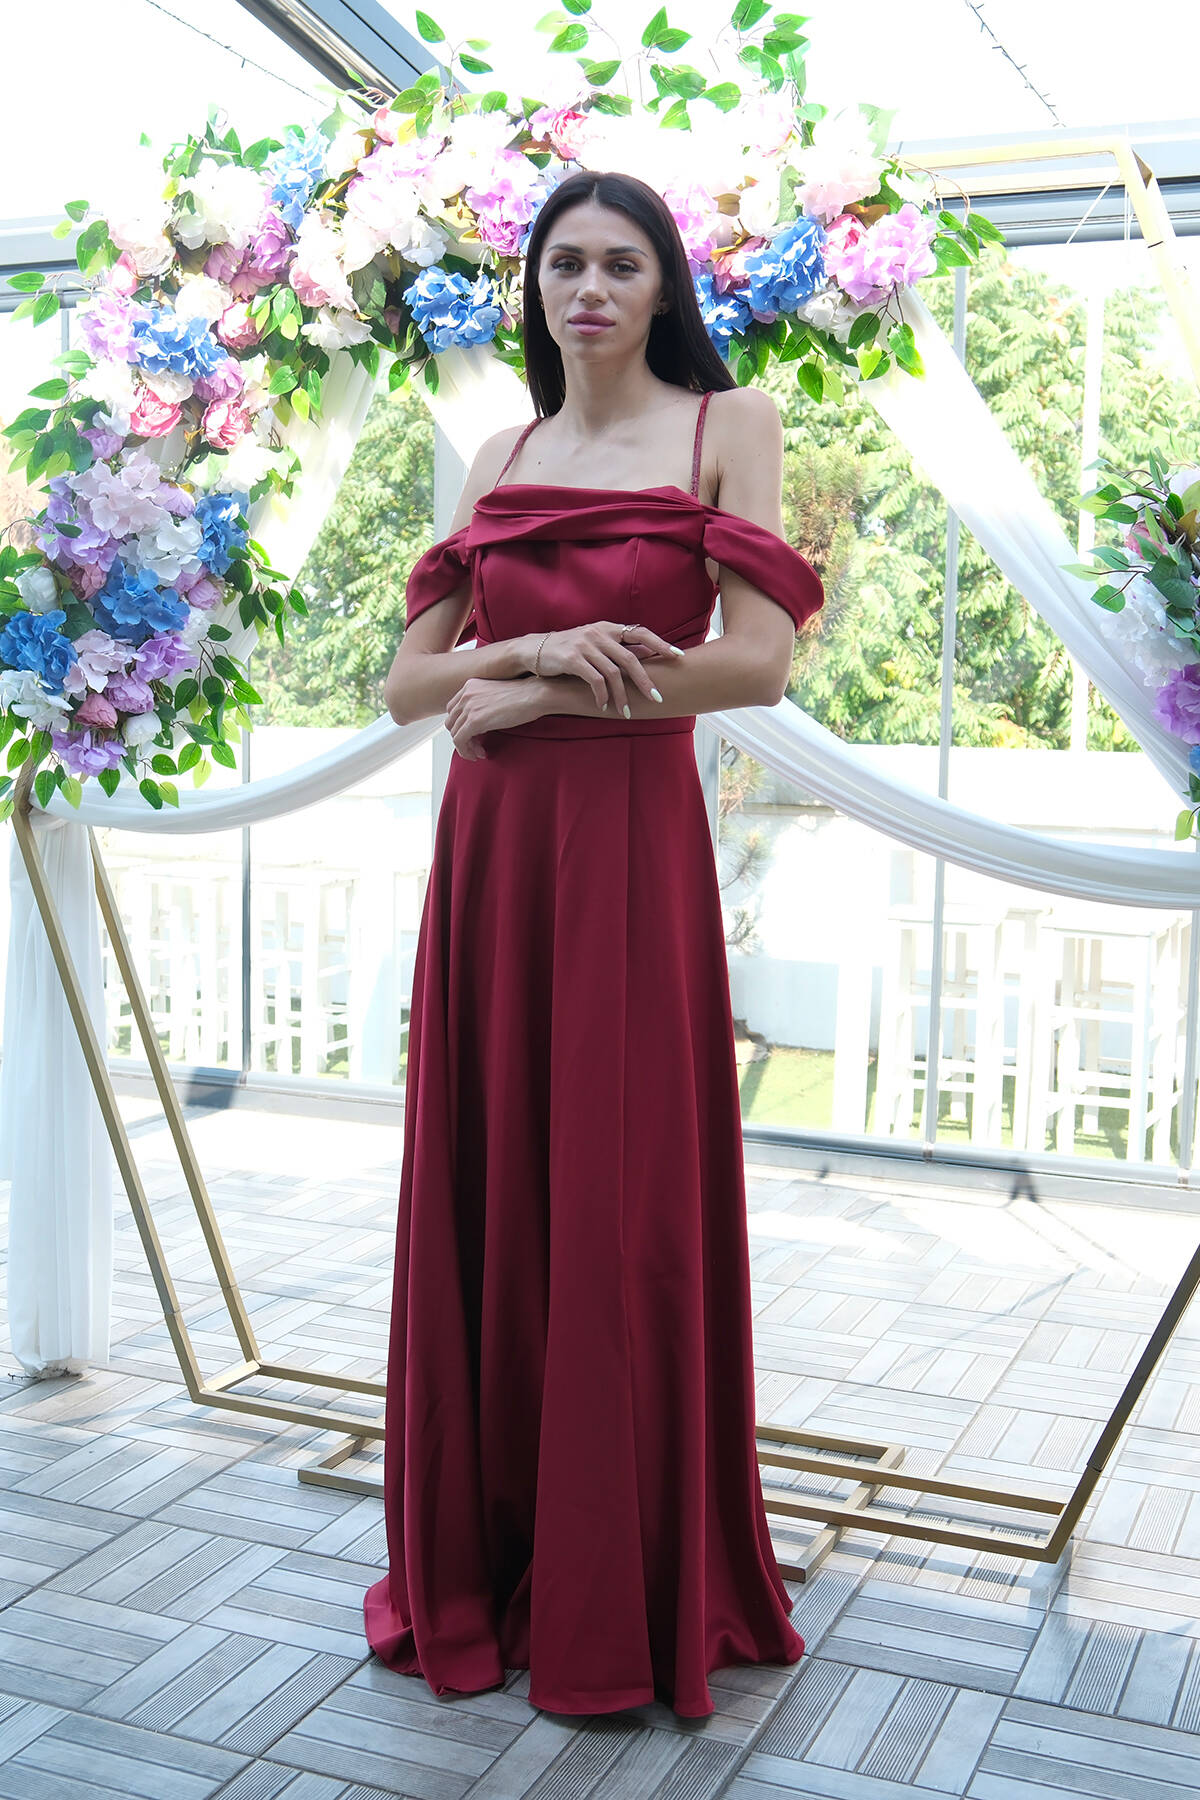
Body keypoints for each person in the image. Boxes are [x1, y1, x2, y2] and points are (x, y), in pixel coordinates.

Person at [362, 168, 825, 1720]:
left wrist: (542, 687)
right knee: (496, 1179)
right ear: (536, 290)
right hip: (494, 857)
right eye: (565, 264)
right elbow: (407, 684)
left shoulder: (728, 424)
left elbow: (755, 663)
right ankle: (490, 1550)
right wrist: (542, 644)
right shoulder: (497, 455)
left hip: (628, 847)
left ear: (664, 285)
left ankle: (618, 1581)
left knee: (619, 1199)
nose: (591, 290)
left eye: (623, 264)